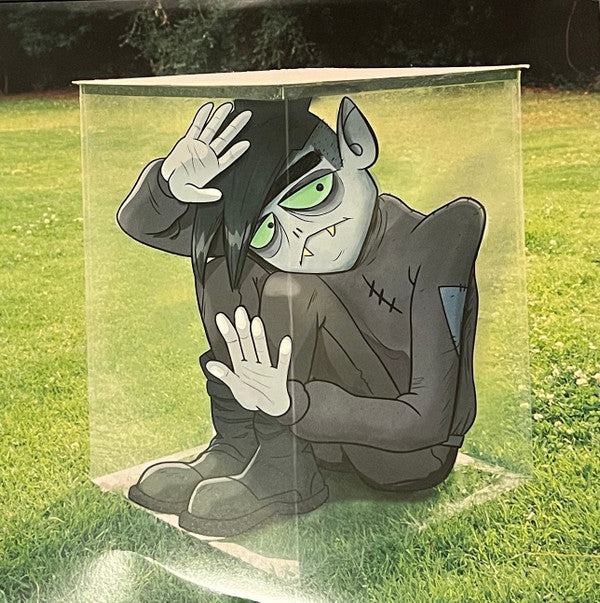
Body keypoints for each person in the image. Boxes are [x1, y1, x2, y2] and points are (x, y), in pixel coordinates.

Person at [117, 97, 486, 537]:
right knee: (226, 266)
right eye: (269, 230)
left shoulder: (435, 240)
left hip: (403, 456)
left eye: (314, 193)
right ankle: (239, 445)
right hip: (310, 426)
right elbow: (145, 225)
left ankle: (284, 467)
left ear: (356, 145)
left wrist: (294, 404)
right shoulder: (289, 251)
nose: (302, 239)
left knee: (289, 288)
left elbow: (428, 419)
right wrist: (168, 185)